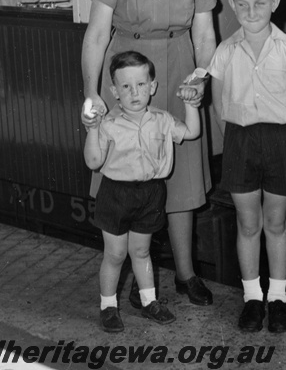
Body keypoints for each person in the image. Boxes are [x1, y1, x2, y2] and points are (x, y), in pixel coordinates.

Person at [81, 0, 217, 307]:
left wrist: (201, 78)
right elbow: (97, 35)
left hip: (177, 67)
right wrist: (92, 92)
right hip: (126, 72)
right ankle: (121, 279)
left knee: (180, 173)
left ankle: (184, 274)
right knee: (122, 169)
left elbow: (204, 32)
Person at [207, 0, 286, 334]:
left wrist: (285, 138)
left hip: (282, 140)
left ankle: (278, 298)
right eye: (243, 5)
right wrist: (237, 137)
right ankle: (253, 297)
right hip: (240, 140)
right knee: (248, 223)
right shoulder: (224, 51)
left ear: (275, 2)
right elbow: (219, 106)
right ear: (233, 6)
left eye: (260, 3)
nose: (252, 12)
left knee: (276, 223)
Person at [84, 50, 201, 331]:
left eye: (140, 84)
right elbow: (93, 161)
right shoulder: (108, 124)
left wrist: (192, 105)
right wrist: (91, 128)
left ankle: (149, 302)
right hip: (116, 195)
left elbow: (193, 132)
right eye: (125, 86)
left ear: (152, 87)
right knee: (114, 254)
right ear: (114, 91)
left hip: (150, 193)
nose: (134, 92)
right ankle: (109, 306)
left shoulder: (163, 119)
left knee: (141, 252)